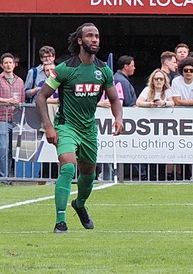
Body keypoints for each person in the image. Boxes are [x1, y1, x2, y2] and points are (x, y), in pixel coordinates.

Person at [34, 23, 123, 234]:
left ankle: (80, 204)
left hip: (88, 130)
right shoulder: (65, 69)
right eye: (90, 36)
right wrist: (48, 126)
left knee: (88, 176)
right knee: (67, 165)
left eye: (97, 36)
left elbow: (114, 99)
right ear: (80, 41)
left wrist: (118, 117)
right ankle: (60, 221)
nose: (95, 39)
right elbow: (41, 97)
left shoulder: (103, 70)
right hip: (66, 127)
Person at [137, 69, 175, 179]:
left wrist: (164, 103)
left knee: (162, 152)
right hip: (149, 125)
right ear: (152, 80)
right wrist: (150, 104)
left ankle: (162, 177)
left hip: (164, 126)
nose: (158, 81)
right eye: (156, 79)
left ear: (164, 81)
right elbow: (138, 102)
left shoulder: (168, 91)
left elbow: (173, 102)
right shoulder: (147, 90)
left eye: (161, 79)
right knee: (148, 151)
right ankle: (148, 177)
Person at [0, 53, 25, 179]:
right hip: (2, 118)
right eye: (6, 63)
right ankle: (4, 177)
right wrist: (7, 100)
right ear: (2, 65)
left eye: (10, 63)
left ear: (14, 65)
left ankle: (11, 175)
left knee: (15, 150)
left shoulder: (20, 81)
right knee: (3, 148)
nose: (8, 65)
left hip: (16, 120)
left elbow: (23, 100)